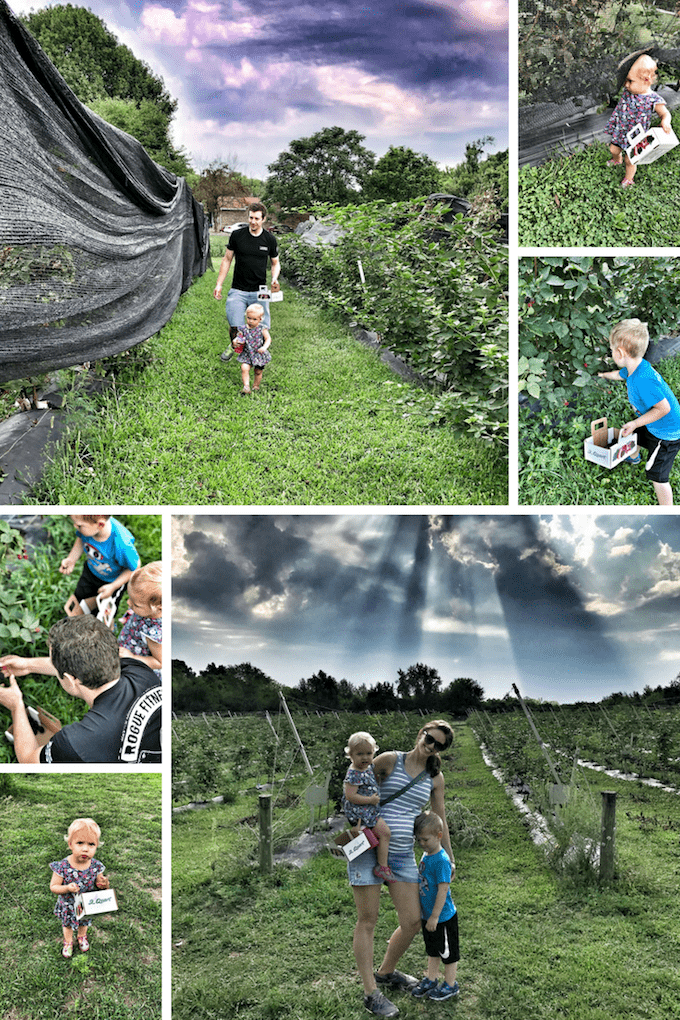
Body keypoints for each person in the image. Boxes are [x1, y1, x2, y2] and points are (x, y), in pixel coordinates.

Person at [349, 719, 454, 1018]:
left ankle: (386, 972)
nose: (430, 745)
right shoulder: (387, 760)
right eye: (428, 737)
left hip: (402, 855)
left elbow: (439, 817)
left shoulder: (435, 778)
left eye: (438, 744)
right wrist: (356, 824)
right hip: (369, 849)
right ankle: (371, 993)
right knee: (367, 920)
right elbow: (354, 788)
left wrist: (448, 856)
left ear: (441, 750)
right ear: (420, 732)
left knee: (412, 921)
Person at [0, 615, 162, 763]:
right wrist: (28, 665)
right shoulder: (141, 671)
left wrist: (16, 706)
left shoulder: (78, 743)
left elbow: (29, 760)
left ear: (70, 680)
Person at [597, 318, 680, 505]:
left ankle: (667, 510)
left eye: (611, 350)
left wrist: (635, 422)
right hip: (654, 424)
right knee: (634, 436)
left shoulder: (643, 380)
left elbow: (664, 408)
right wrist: (602, 375)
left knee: (657, 475)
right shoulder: (634, 367)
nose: (611, 353)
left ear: (619, 353)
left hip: (667, 433)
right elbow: (619, 375)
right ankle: (634, 458)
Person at [213, 203, 280, 362]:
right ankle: (234, 345)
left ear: (263, 219)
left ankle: (256, 354)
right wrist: (219, 284)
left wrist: (275, 278)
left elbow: (275, 262)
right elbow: (227, 259)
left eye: (257, 218)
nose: (253, 221)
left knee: (262, 327)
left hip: (260, 291)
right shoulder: (237, 235)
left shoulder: (269, 239)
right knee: (235, 326)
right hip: (238, 289)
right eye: (251, 217)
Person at [411, 811, 460, 1001]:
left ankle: (450, 985)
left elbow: (443, 891)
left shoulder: (440, 860)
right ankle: (431, 979)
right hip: (428, 916)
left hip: (442, 917)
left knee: (448, 953)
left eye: (425, 839)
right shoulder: (427, 854)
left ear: (439, 835)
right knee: (432, 950)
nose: (422, 843)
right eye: (419, 840)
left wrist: (434, 916)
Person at [606, 53, 672, 187]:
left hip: (636, 136)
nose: (626, 84)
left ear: (646, 80)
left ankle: (629, 178)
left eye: (630, 81)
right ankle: (616, 159)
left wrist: (665, 121)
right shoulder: (629, 91)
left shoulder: (653, 99)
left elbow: (665, 113)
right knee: (613, 149)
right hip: (621, 130)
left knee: (630, 159)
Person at [50, 817, 110, 957]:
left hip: (86, 903)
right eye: (80, 843)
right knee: (68, 925)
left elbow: (100, 885)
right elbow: (53, 887)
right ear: (70, 844)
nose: (85, 848)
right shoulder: (63, 866)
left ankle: (82, 936)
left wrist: (103, 884)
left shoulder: (96, 866)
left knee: (84, 922)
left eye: (91, 844)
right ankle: (68, 941)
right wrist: (67, 888)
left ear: (97, 846)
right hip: (68, 904)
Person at [342, 731, 395, 884]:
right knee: (385, 833)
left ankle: (380, 861)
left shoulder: (367, 768)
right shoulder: (354, 773)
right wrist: (370, 800)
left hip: (367, 810)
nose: (365, 757)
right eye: (360, 754)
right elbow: (350, 796)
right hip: (363, 812)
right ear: (350, 754)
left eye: (369, 753)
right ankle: (382, 867)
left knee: (377, 836)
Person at [60, 514, 140, 614]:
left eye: (79, 526)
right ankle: (76, 619)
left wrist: (113, 586)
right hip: (90, 572)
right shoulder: (88, 529)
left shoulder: (121, 543)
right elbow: (81, 539)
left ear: (100, 525)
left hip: (112, 582)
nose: (75, 527)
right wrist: (71, 559)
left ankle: (104, 626)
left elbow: (135, 567)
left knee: (103, 611)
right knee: (80, 597)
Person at [117, 561, 162, 678]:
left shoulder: (155, 633)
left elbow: (159, 662)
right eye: (129, 598)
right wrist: (129, 617)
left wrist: (132, 658)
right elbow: (139, 614)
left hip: (138, 664)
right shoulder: (147, 612)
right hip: (129, 643)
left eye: (135, 605)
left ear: (159, 608)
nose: (128, 603)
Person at [233, 303, 272, 395]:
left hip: (259, 353)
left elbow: (268, 339)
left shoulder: (262, 329)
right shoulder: (243, 329)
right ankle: (246, 387)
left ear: (260, 319)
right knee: (244, 368)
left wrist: (264, 347)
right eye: (249, 318)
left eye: (254, 319)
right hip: (247, 353)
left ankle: (256, 385)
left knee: (258, 371)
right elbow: (239, 337)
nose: (251, 321)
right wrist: (235, 341)